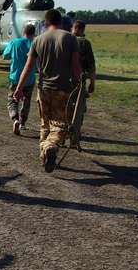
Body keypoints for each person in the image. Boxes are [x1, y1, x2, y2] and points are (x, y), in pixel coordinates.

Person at [14, 9, 81, 172]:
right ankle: (50, 146)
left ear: (46, 23)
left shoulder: (38, 40)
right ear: (61, 22)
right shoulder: (71, 39)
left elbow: (28, 67)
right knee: (59, 125)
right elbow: (76, 67)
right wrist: (79, 85)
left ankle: (44, 155)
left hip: (43, 89)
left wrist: (19, 88)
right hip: (63, 89)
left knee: (44, 124)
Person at [3, 23, 36, 135]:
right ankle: (22, 123)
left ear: (23, 31)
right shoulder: (35, 44)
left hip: (16, 77)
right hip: (30, 78)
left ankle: (15, 119)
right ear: (34, 33)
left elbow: (5, 55)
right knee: (26, 102)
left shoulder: (14, 42)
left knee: (12, 100)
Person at [71, 20, 96, 149]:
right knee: (79, 109)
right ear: (82, 29)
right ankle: (75, 134)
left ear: (73, 28)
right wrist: (92, 82)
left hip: (63, 81)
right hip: (79, 82)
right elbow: (91, 65)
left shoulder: (65, 40)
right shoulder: (85, 43)